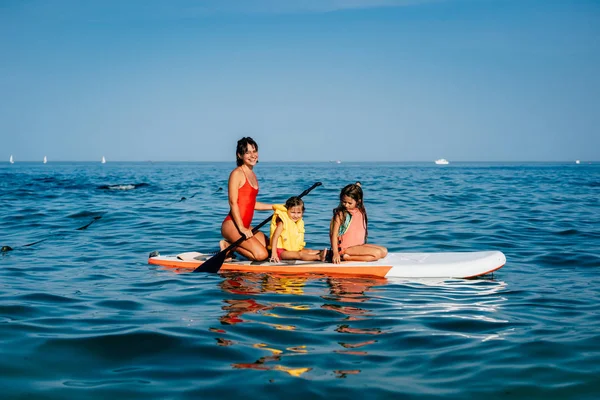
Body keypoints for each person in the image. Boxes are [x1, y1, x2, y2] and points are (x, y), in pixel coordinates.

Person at [220, 137, 273, 261]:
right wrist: (242, 228)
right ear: (240, 155)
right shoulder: (237, 173)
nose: (252, 155)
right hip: (232, 225)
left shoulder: (252, 174)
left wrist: (276, 206)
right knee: (261, 255)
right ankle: (228, 246)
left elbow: (251, 204)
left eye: (254, 151)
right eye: (248, 152)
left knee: (269, 248)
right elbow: (233, 203)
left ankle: (233, 245)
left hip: (246, 225)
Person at [328, 182, 387, 264]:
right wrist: (335, 253)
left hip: (358, 245)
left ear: (358, 201)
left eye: (349, 203)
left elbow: (358, 193)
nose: (346, 205)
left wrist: (357, 187)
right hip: (346, 248)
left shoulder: (360, 210)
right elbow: (333, 235)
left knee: (384, 251)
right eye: (344, 202)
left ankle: (349, 256)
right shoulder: (341, 214)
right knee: (376, 254)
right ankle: (346, 257)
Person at [268, 196, 327, 263]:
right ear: (287, 211)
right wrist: (274, 253)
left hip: (291, 249)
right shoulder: (282, 222)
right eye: (293, 212)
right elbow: (275, 237)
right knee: (300, 254)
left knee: (309, 251)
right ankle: (319, 257)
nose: (296, 216)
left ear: (302, 212)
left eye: (299, 213)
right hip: (281, 252)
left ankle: (327, 253)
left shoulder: (297, 222)